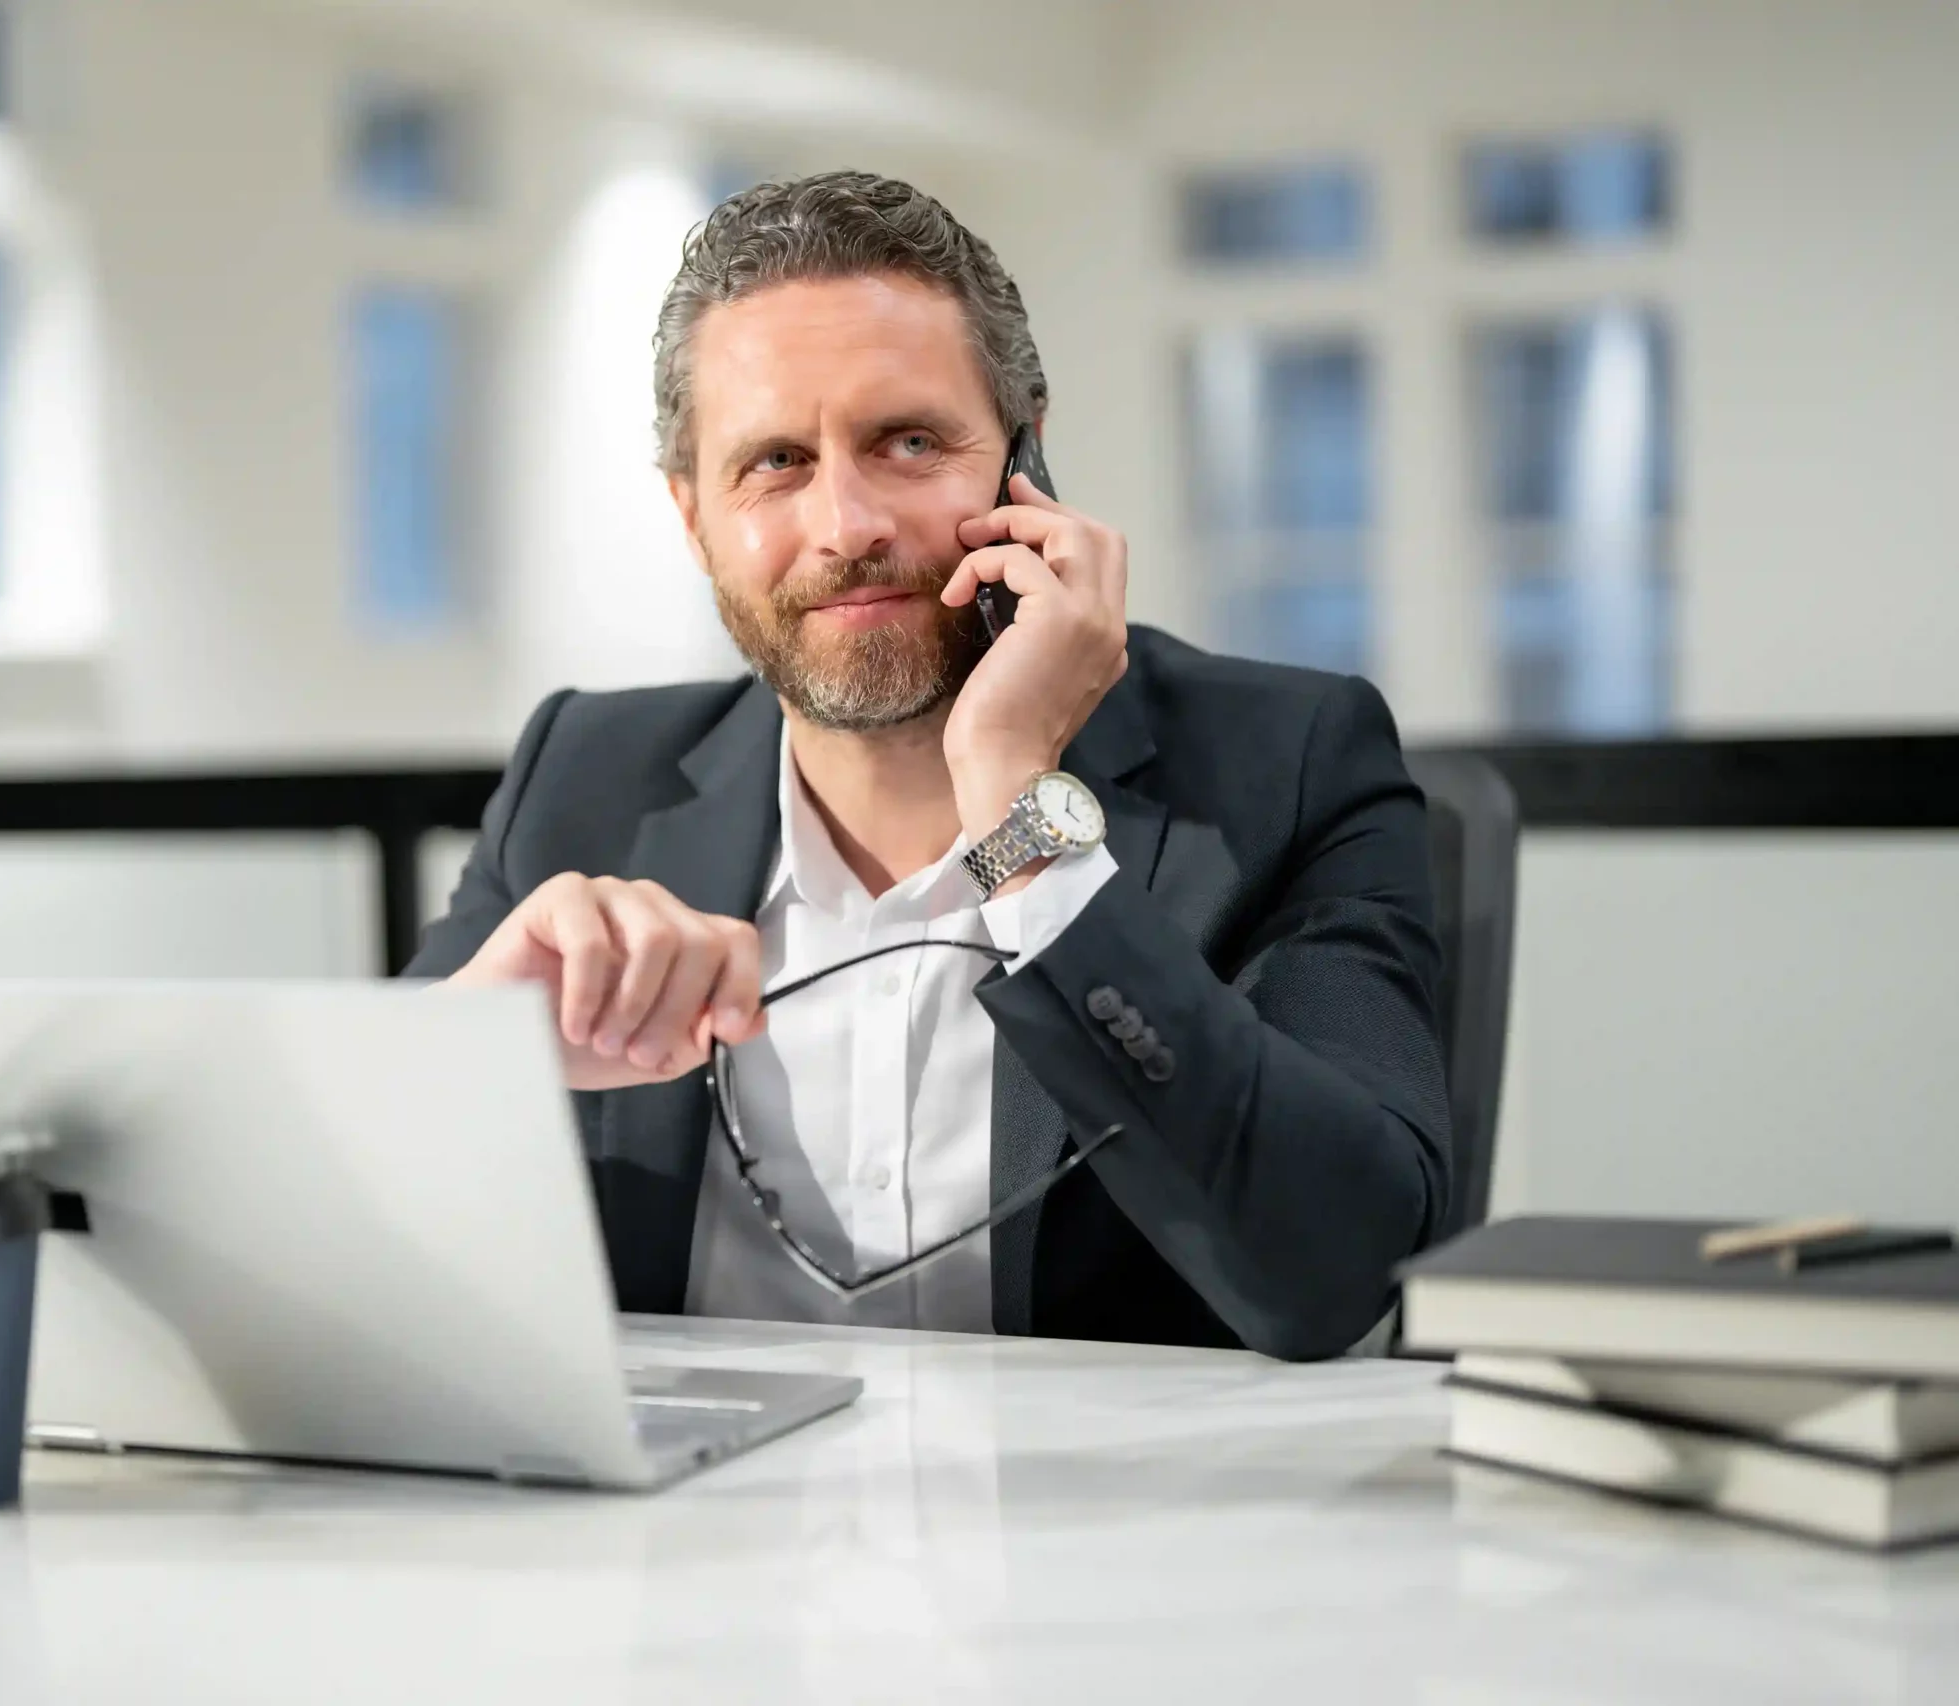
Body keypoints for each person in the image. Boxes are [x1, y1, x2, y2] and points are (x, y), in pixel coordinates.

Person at [410, 171, 1449, 1360]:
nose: (848, 525)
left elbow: (1343, 1271)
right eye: (775, 463)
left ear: (1026, 462)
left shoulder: (1287, 764)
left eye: (907, 441)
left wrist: (1023, 819)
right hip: (688, 1534)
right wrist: (471, 1054)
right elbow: (335, 1229)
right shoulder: (584, 774)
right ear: (693, 517)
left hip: (1114, 1530)